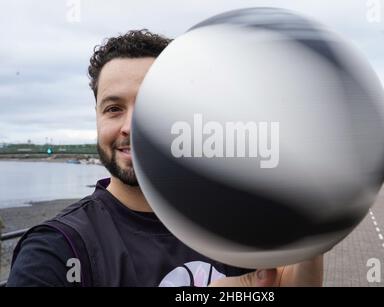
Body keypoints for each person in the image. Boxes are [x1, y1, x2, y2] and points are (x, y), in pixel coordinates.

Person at [7, 29, 323, 287]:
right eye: (113, 109)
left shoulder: (232, 224)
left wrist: (310, 248)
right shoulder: (57, 251)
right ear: (97, 118)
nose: (130, 127)